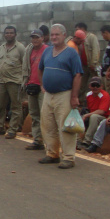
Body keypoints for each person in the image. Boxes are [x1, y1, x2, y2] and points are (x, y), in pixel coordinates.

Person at [38, 24, 83, 169]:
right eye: (52, 35)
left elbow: (77, 75)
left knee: (65, 126)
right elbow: (40, 69)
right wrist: (42, 85)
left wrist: (74, 96)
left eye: (57, 34)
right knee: (48, 125)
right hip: (48, 95)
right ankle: (52, 153)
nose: (54, 37)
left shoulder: (71, 53)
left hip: (64, 94)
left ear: (64, 35)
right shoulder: (47, 51)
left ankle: (69, 157)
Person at [0, 26, 26, 138]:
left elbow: (25, 64)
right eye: (7, 33)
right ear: (4, 35)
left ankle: (13, 130)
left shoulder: (20, 48)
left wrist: (24, 80)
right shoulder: (1, 48)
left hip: (15, 81)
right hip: (2, 81)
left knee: (16, 106)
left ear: (15, 34)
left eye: (11, 33)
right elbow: (1, 63)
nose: (9, 35)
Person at [22, 29, 48, 150]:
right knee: (34, 114)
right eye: (33, 37)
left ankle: (49, 142)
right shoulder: (29, 50)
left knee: (45, 115)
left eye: (37, 37)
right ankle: (38, 140)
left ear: (42, 38)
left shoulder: (47, 50)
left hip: (44, 86)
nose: (35, 40)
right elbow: (27, 67)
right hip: (31, 84)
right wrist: (26, 81)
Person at [77, 76, 110, 150]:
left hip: (103, 119)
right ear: (89, 86)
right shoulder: (88, 95)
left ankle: (86, 142)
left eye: (97, 85)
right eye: (93, 85)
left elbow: (102, 111)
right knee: (77, 116)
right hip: (90, 116)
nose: (95, 87)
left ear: (101, 86)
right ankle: (77, 140)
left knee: (94, 116)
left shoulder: (105, 95)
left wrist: (87, 115)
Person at [74, 22, 100, 102]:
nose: (76, 32)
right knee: (81, 85)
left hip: (91, 65)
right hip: (83, 66)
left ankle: (97, 102)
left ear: (82, 29)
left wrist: (93, 63)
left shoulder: (91, 37)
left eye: (78, 29)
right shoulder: (78, 39)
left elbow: (96, 50)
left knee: (95, 84)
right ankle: (80, 102)